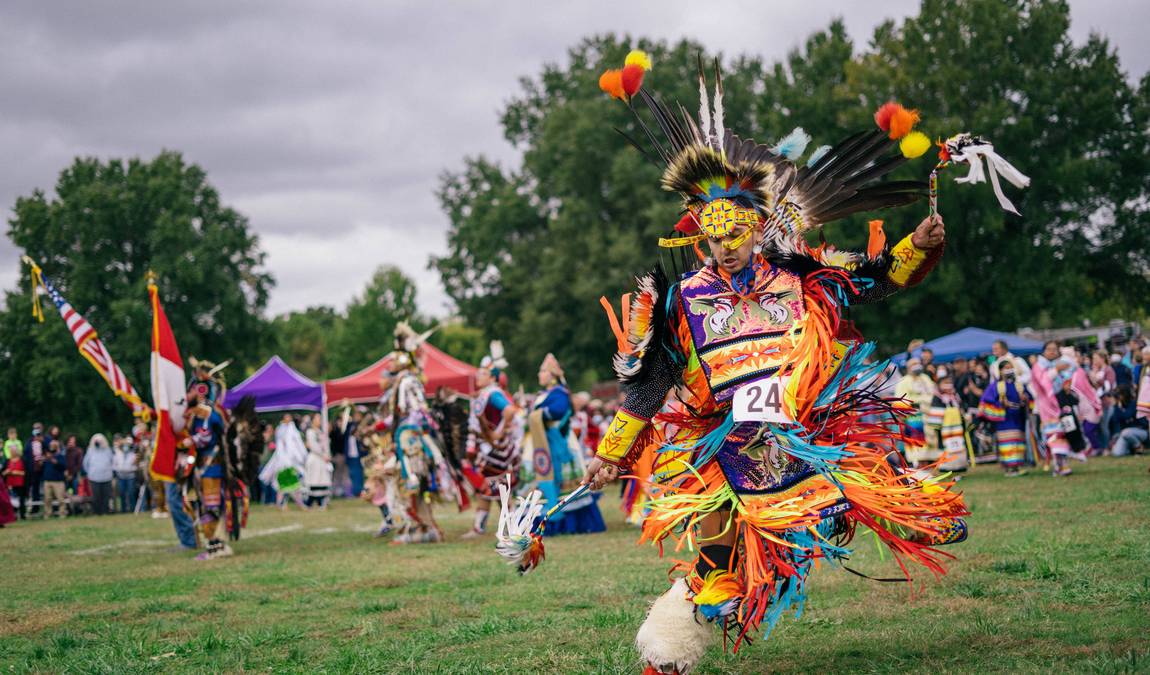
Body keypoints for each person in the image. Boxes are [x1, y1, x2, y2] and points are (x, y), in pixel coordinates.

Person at [581, 68, 966, 673]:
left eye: (736, 234)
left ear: (756, 227)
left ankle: (915, 512)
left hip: (805, 430)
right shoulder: (684, 298)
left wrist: (917, 245)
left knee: (858, 484)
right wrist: (612, 452)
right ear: (701, 237)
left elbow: (872, 281)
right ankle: (671, 650)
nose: (726, 247)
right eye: (715, 239)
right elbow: (652, 380)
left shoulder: (797, 274)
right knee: (718, 557)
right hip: (728, 445)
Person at [379, 322, 460, 544]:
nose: (389, 364)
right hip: (407, 435)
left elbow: (417, 410)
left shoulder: (407, 381)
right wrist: (383, 425)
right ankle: (426, 527)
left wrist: (408, 430)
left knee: (411, 482)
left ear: (404, 360)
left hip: (410, 439)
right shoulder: (403, 381)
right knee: (411, 483)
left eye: (394, 360)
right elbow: (403, 412)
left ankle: (420, 528)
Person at [533, 353, 606, 535]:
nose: (539, 374)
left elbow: (558, 411)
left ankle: (565, 522)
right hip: (543, 443)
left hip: (558, 442)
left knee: (561, 481)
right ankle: (549, 518)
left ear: (552, 375)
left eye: (543, 371)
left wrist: (537, 413)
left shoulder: (560, 393)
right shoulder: (545, 394)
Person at [462, 341, 522, 538]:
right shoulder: (484, 394)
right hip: (490, 449)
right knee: (492, 489)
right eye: (478, 373)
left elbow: (510, 411)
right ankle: (489, 527)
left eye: (483, 374)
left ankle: (508, 527)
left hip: (496, 451)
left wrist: (498, 433)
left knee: (496, 490)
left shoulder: (493, 393)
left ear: (493, 378)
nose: (478, 377)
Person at [979, 360, 1030, 476]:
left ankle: (1017, 467)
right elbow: (985, 400)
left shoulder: (1019, 385)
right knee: (1007, 443)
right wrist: (1001, 403)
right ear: (1000, 370)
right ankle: (1010, 468)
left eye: (1011, 367)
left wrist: (1025, 398)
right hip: (1004, 418)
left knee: (1017, 442)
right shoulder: (995, 386)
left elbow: (1029, 398)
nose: (1009, 370)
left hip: (1018, 417)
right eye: (1006, 368)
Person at [261, 414, 309, 510]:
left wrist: (300, 456)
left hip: (291, 462)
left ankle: (287, 504)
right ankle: (284, 504)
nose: (288, 419)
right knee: (285, 485)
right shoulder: (280, 430)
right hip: (283, 463)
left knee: (292, 485)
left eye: (289, 418)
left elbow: (296, 445)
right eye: (286, 418)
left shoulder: (292, 430)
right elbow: (281, 447)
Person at [896, 357, 937, 466]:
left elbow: (933, 392)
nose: (917, 365)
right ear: (908, 367)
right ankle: (919, 465)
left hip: (929, 414)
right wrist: (901, 418)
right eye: (914, 364)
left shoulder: (925, 378)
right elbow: (900, 400)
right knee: (917, 441)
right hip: (914, 415)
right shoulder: (904, 381)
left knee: (931, 441)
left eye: (918, 363)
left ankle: (930, 464)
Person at [303, 415, 333, 509]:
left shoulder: (321, 432)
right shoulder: (310, 432)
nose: (320, 421)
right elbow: (313, 446)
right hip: (315, 458)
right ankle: (310, 501)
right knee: (314, 480)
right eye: (318, 419)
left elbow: (325, 444)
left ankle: (322, 501)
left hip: (322, 460)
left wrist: (327, 454)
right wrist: (323, 455)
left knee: (322, 480)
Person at [83, 434, 115, 515]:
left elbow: (113, 461)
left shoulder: (108, 450)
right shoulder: (90, 451)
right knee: (96, 496)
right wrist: (90, 472)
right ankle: (97, 512)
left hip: (107, 477)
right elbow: (85, 463)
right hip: (94, 478)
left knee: (106, 496)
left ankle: (105, 511)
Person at [22, 423, 46, 516]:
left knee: (41, 489)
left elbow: (48, 452)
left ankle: (40, 509)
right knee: (32, 489)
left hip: (42, 470)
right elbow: (26, 456)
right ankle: (32, 509)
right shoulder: (29, 443)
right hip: (31, 470)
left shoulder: (44, 441)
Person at [41, 440, 69, 517]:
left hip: (58, 481)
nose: (52, 447)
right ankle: (47, 514)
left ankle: (62, 513)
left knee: (60, 499)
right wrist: (42, 462)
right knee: (47, 499)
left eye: (54, 446)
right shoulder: (46, 457)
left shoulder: (61, 456)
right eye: (51, 445)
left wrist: (54, 461)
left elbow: (64, 467)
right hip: (47, 481)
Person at [113, 435, 139, 513]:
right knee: (122, 493)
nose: (125, 447)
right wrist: (120, 469)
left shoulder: (133, 454)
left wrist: (131, 467)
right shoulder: (118, 454)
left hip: (131, 476)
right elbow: (114, 465)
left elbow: (136, 466)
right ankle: (123, 509)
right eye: (124, 445)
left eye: (127, 445)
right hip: (121, 476)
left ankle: (132, 509)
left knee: (131, 493)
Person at [3, 444, 27, 520]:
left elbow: (26, 473)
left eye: (13, 450)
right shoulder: (7, 461)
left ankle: (23, 515)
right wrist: (6, 472)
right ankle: (13, 516)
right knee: (11, 501)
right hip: (10, 484)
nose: (12, 452)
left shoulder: (22, 460)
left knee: (21, 500)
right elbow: (2, 473)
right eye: (11, 451)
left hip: (20, 484)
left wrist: (16, 472)